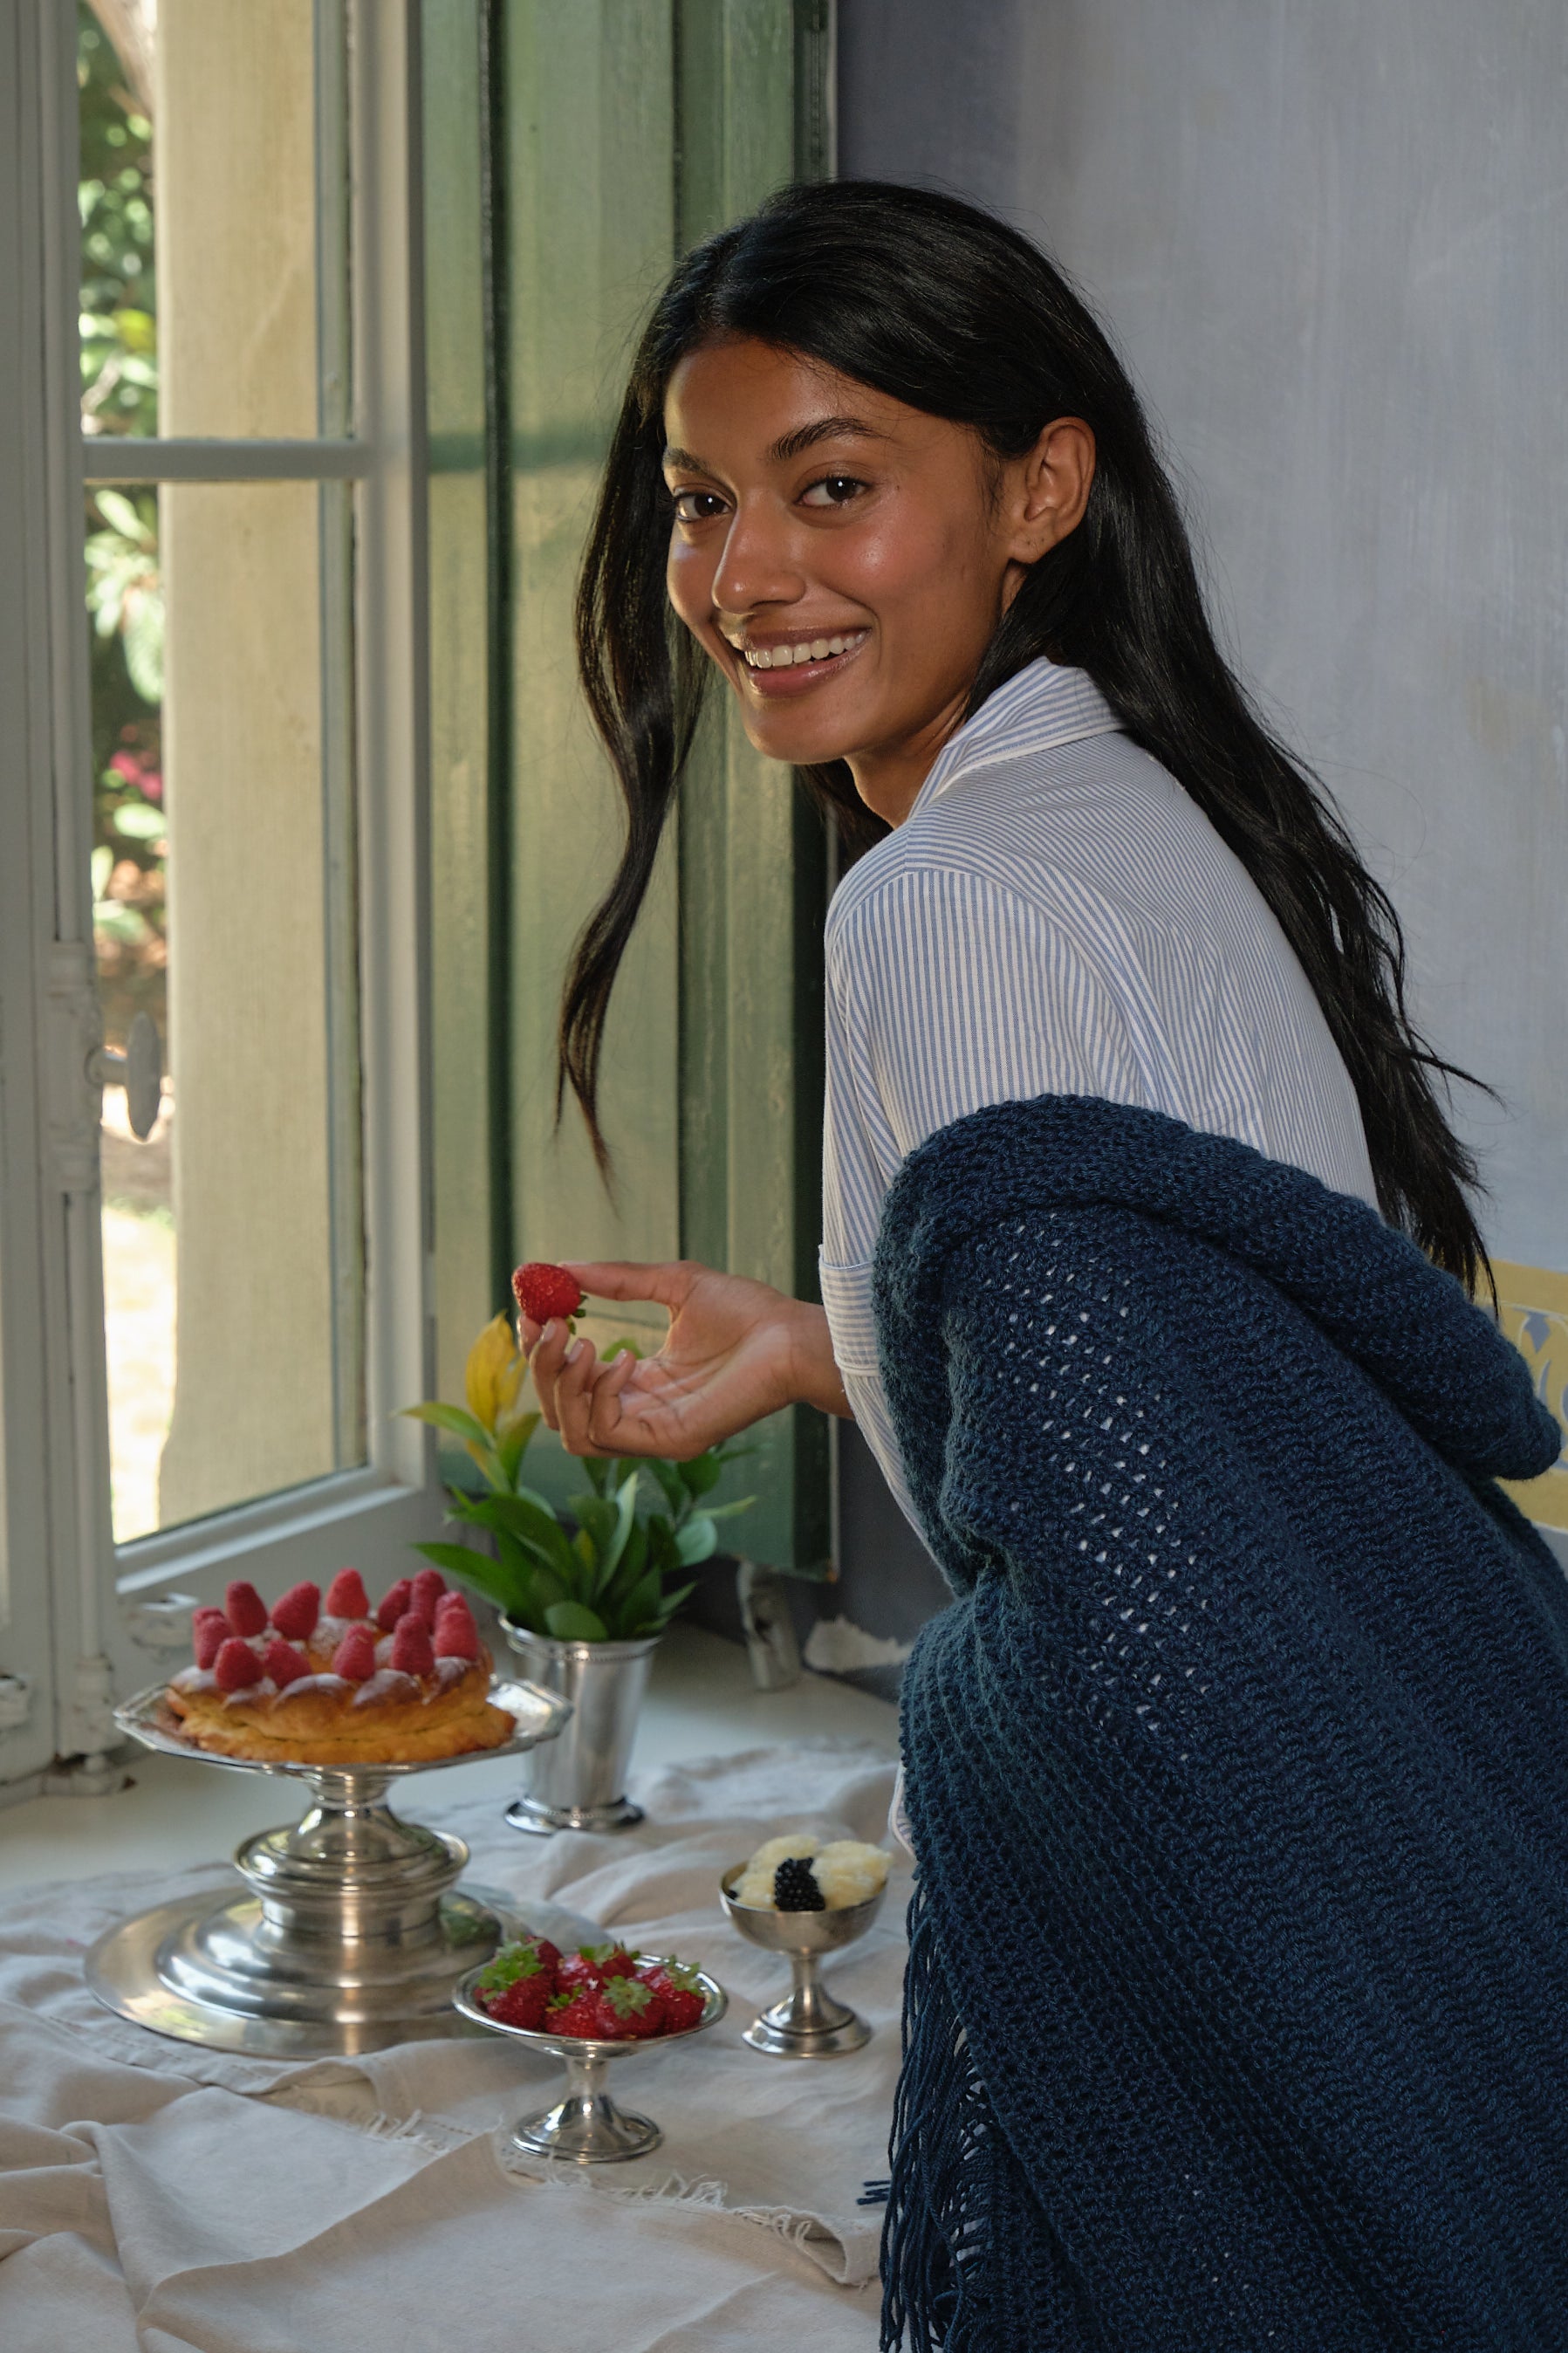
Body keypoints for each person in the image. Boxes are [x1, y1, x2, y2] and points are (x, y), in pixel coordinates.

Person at [523, 182, 1568, 2350]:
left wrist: (986, 1786)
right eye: (699, 502)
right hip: (1385, 1847)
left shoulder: (945, 904)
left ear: (1037, 488)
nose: (740, 579)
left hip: (1234, 1957)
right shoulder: (1138, 801)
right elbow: (1194, 1396)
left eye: (835, 488)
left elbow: (1133, 1621)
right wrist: (824, 1348)